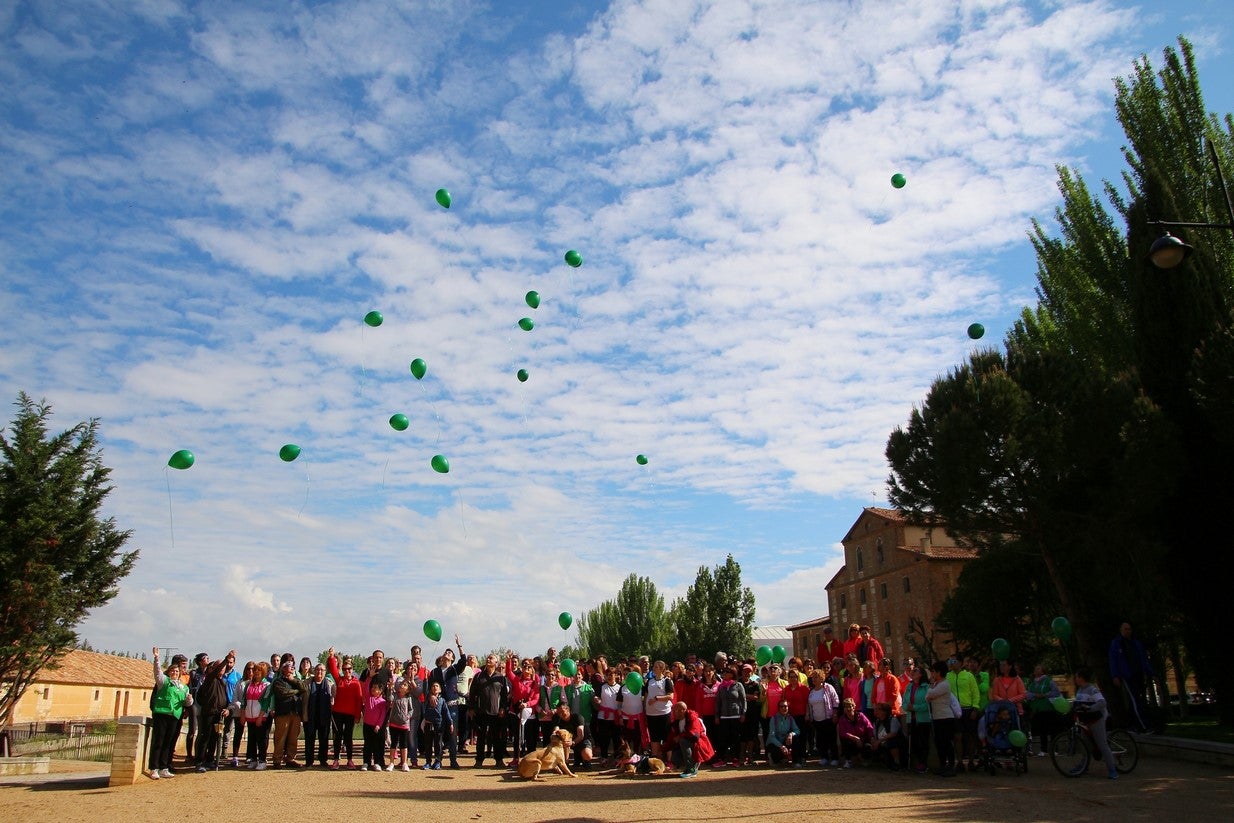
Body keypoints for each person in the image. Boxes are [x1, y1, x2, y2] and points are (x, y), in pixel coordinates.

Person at [148, 646, 192, 779]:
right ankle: (154, 768)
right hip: (161, 714)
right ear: (169, 672)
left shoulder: (183, 687)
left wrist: (189, 700)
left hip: (175, 716)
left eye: (177, 671)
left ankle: (164, 767)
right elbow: (157, 672)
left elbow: (187, 703)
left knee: (168, 742)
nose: (175, 672)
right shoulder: (163, 682)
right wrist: (156, 658)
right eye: (172, 670)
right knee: (158, 742)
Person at [1073, 666, 1120, 779]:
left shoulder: (1092, 689)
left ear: (1081, 678)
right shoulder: (1080, 690)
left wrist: (1090, 708)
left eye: (1076, 676)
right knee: (1085, 744)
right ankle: (1084, 766)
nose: (1075, 678)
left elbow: (1102, 703)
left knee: (1102, 744)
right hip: (1086, 720)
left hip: (1096, 720)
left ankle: (1112, 770)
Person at [1108, 622, 1154, 732]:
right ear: (1121, 630)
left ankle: (1134, 724)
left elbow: (1144, 659)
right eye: (1125, 629)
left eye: (1129, 629)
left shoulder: (1136, 644)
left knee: (1139, 699)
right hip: (1128, 675)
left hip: (1138, 674)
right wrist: (1115, 675)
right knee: (1135, 699)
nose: (1127, 631)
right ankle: (1144, 726)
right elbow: (1113, 660)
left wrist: (1151, 672)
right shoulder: (1117, 644)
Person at [469, 653, 510, 767]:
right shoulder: (478, 676)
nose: (488, 659)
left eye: (491, 658)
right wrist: (471, 708)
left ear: (496, 663)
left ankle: (499, 760)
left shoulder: (501, 678)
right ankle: (479, 760)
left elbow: (504, 696)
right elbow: (472, 693)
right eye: (488, 657)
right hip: (481, 712)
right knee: (481, 737)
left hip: (496, 713)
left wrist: (503, 708)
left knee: (497, 737)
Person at [326, 649, 363, 769]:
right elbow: (333, 669)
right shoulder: (339, 680)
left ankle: (350, 760)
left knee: (348, 738)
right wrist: (331, 656)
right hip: (338, 713)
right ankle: (336, 759)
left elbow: (359, 700)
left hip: (350, 714)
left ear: (352, 670)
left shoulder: (356, 683)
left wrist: (357, 716)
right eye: (345, 669)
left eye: (349, 669)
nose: (347, 671)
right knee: (338, 737)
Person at [193, 660, 230, 772]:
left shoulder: (223, 682)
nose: (222, 669)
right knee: (205, 737)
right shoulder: (210, 679)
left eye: (223, 668)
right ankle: (200, 762)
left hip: (218, 715)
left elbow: (225, 699)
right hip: (209, 713)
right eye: (220, 667)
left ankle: (210, 760)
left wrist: (227, 709)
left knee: (214, 738)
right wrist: (226, 660)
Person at [270, 660, 307, 768]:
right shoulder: (278, 682)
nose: (292, 668)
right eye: (290, 666)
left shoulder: (296, 680)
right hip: (282, 714)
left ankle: (290, 758)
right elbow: (283, 693)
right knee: (280, 738)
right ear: (283, 669)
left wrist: (293, 681)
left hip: (295, 713)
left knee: (293, 738)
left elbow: (304, 688)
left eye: (293, 667)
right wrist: (296, 691)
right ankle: (277, 760)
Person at [946, 656, 980, 771]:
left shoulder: (968, 676)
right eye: (950, 661)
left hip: (968, 709)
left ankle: (971, 761)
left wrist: (975, 708)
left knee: (970, 736)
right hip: (955, 710)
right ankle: (959, 762)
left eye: (954, 661)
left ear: (960, 663)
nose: (952, 663)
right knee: (957, 736)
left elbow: (975, 692)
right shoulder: (948, 676)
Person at [927, 661, 958, 777]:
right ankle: (942, 766)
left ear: (939, 672)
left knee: (946, 742)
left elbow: (930, 695)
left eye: (933, 671)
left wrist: (930, 690)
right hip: (937, 717)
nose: (932, 674)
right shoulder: (936, 684)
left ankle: (951, 766)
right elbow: (928, 696)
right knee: (939, 743)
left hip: (946, 717)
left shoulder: (944, 684)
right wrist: (930, 691)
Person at [668, 700, 714, 778]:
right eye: (674, 710)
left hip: (699, 744)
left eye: (676, 710)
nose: (674, 713)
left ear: (683, 711)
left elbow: (694, 735)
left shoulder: (693, 719)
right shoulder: (676, 722)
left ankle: (691, 769)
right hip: (687, 745)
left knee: (683, 741)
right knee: (675, 759)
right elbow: (672, 738)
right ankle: (690, 765)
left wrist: (680, 737)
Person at [240, 662, 272, 769]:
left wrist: (260, 716)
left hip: (261, 716)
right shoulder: (248, 684)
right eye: (256, 670)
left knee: (261, 739)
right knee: (252, 739)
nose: (256, 672)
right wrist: (243, 714)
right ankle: (253, 759)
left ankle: (262, 760)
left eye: (259, 670)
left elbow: (266, 702)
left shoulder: (267, 685)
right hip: (249, 716)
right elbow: (244, 700)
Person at [303, 662, 335, 768]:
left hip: (324, 716)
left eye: (322, 670)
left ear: (325, 672)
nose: (319, 672)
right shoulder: (307, 683)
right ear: (314, 671)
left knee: (324, 739)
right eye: (317, 669)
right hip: (310, 715)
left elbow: (334, 698)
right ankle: (309, 761)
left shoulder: (330, 683)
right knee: (309, 739)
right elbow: (302, 700)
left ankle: (323, 759)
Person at [806, 669, 840, 766]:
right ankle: (824, 757)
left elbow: (836, 700)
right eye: (813, 678)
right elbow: (810, 705)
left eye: (816, 677)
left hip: (828, 718)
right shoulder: (811, 692)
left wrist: (834, 713)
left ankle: (835, 758)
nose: (814, 679)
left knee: (831, 739)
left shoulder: (828, 688)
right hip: (817, 720)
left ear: (821, 678)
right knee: (821, 740)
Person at [1026, 663, 1062, 757]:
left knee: (1052, 729)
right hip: (1038, 710)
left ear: (1042, 671)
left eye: (1038, 669)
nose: (1036, 670)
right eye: (1035, 668)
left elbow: (1056, 692)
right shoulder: (1032, 683)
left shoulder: (1048, 681)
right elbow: (1028, 694)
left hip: (1049, 709)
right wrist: (1035, 695)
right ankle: (1043, 749)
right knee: (1042, 730)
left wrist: (1044, 695)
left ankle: (1054, 749)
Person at [714, 664, 746, 767]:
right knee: (723, 738)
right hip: (724, 717)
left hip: (735, 716)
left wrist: (743, 713)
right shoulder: (721, 686)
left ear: (732, 674)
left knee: (735, 739)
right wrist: (717, 716)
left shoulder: (738, 685)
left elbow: (743, 700)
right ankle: (722, 759)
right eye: (724, 672)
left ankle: (735, 758)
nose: (725, 674)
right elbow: (718, 702)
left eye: (727, 672)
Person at [643, 660, 675, 761]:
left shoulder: (666, 681)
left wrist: (657, 698)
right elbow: (646, 695)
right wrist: (645, 708)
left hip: (663, 713)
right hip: (651, 714)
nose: (654, 668)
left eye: (657, 667)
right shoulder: (650, 681)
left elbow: (671, 696)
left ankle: (669, 760)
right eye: (654, 666)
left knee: (666, 737)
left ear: (662, 669)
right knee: (654, 736)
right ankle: (654, 759)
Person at [903, 664, 932, 774]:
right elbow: (905, 701)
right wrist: (908, 707)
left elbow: (926, 705)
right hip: (912, 718)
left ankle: (923, 763)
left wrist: (914, 707)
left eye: (915, 671)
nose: (913, 672)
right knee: (914, 742)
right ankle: (917, 763)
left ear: (920, 674)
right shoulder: (909, 687)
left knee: (923, 742)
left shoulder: (926, 687)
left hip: (923, 719)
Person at [219, 649, 244, 767]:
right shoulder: (220, 675)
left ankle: (225, 749)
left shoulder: (237, 676)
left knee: (229, 728)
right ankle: (217, 750)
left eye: (231, 662)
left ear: (234, 663)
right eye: (228, 662)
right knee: (219, 728)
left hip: (233, 705)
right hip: (221, 704)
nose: (229, 664)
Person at [421, 681, 453, 770]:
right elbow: (424, 690)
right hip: (428, 724)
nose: (435, 687)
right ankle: (428, 762)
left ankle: (438, 761)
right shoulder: (428, 698)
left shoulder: (442, 701)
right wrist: (426, 680)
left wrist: (450, 723)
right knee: (428, 744)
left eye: (437, 686)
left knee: (438, 744)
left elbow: (446, 713)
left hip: (438, 725)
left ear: (440, 689)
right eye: (433, 686)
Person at [184, 652, 209, 766]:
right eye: (205, 658)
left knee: (203, 731)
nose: (208, 660)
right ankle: (189, 755)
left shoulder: (209, 673)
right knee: (192, 731)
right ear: (200, 661)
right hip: (194, 704)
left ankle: (201, 754)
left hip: (205, 705)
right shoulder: (193, 673)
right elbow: (188, 689)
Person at [766, 699, 805, 767]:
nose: (784, 708)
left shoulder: (790, 718)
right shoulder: (773, 719)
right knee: (776, 754)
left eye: (786, 706)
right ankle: (773, 758)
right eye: (782, 706)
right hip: (775, 744)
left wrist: (791, 734)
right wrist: (782, 746)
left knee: (795, 738)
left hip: (785, 743)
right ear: (778, 708)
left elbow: (797, 730)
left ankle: (795, 762)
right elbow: (771, 737)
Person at [835, 697, 873, 768]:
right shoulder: (842, 719)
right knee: (845, 742)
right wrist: (855, 738)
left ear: (854, 707)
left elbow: (869, 727)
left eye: (850, 706)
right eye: (846, 707)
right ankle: (848, 760)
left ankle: (864, 759)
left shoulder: (861, 716)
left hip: (863, 740)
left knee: (868, 746)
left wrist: (871, 738)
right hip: (851, 740)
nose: (848, 709)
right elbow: (843, 732)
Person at [360, 680, 388, 771]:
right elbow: (365, 689)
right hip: (367, 725)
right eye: (372, 687)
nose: (373, 689)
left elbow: (382, 715)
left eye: (375, 688)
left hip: (376, 727)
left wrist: (378, 725)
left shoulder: (383, 702)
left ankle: (377, 763)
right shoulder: (368, 697)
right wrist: (370, 677)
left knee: (376, 745)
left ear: (380, 691)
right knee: (367, 744)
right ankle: (366, 762)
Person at [870, 701, 905, 770]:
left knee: (891, 741)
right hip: (882, 744)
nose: (876, 711)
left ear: (885, 712)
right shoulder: (876, 722)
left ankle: (897, 763)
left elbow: (893, 733)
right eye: (875, 709)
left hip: (898, 745)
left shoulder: (893, 720)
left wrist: (879, 741)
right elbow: (874, 735)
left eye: (878, 709)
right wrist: (873, 740)